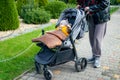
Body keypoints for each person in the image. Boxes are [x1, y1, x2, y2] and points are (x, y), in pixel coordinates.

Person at [76, 0, 110, 68]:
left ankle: (97, 57)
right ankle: (94, 56)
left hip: (101, 17)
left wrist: (91, 8)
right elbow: (85, 3)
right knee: (91, 38)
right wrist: (80, 6)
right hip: (91, 17)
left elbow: (105, 3)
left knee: (97, 38)